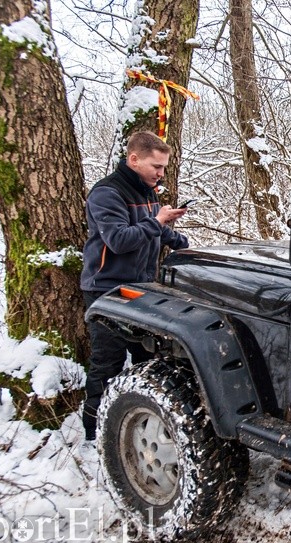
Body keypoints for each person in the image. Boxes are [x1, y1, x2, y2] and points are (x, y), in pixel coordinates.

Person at [80, 132, 190, 441]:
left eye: (164, 167)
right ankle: (94, 434)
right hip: (106, 290)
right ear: (134, 159)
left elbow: (153, 230)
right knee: (107, 362)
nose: (161, 173)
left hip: (142, 288)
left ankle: (144, 424)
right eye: (156, 166)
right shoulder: (107, 193)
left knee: (149, 357)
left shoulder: (147, 191)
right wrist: (157, 222)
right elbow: (118, 240)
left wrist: (179, 241)